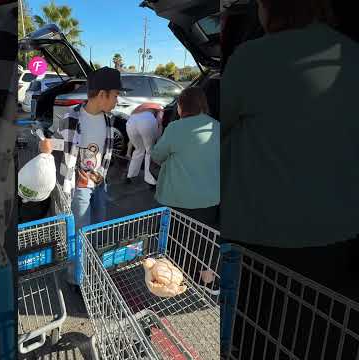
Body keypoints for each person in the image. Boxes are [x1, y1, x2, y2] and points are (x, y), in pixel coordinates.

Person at [220, 0, 359, 357]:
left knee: (258, 338)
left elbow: (220, 132)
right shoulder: (351, 54)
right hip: (338, 237)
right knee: (319, 335)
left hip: (263, 239)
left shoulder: (251, 58)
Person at [41, 67, 125, 232]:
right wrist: (45, 147)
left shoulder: (108, 119)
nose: (117, 101)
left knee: (99, 224)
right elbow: (57, 145)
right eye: (115, 95)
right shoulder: (71, 118)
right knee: (81, 227)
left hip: (100, 181)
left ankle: (92, 252)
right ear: (102, 94)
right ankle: (81, 256)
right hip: (79, 185)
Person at [151, 87, 219, 228]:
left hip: (177, 202)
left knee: (173, 244)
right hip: (209, 202)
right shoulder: (217, 126)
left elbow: (157, 156)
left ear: (181, 106)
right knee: (199, 244)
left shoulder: (175, 127)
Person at [125, 102, 164, 187]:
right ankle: (151, 181)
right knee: (149, 151)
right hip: (147, 121)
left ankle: (130, 175)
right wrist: (158, 138)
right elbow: (159, 122)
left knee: (138, 149)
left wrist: (128, 152)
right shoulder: (160, 107)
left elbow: (130, 141)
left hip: (131, 122)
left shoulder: (139, 108)